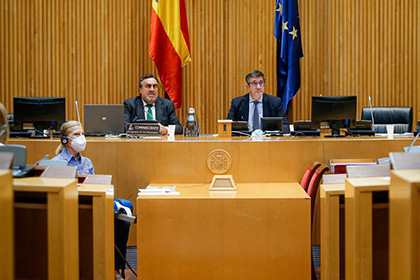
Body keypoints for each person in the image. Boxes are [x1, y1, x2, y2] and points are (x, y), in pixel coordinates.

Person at [52, 121, 132, 280]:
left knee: (125, 209)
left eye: (82, 134)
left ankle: (116, 268)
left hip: (93, 202)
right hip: (73, 206)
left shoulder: (86, 162)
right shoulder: (56, 163)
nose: (81, 138)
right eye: (76, 134)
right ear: (64, 140)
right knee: (120, 214)